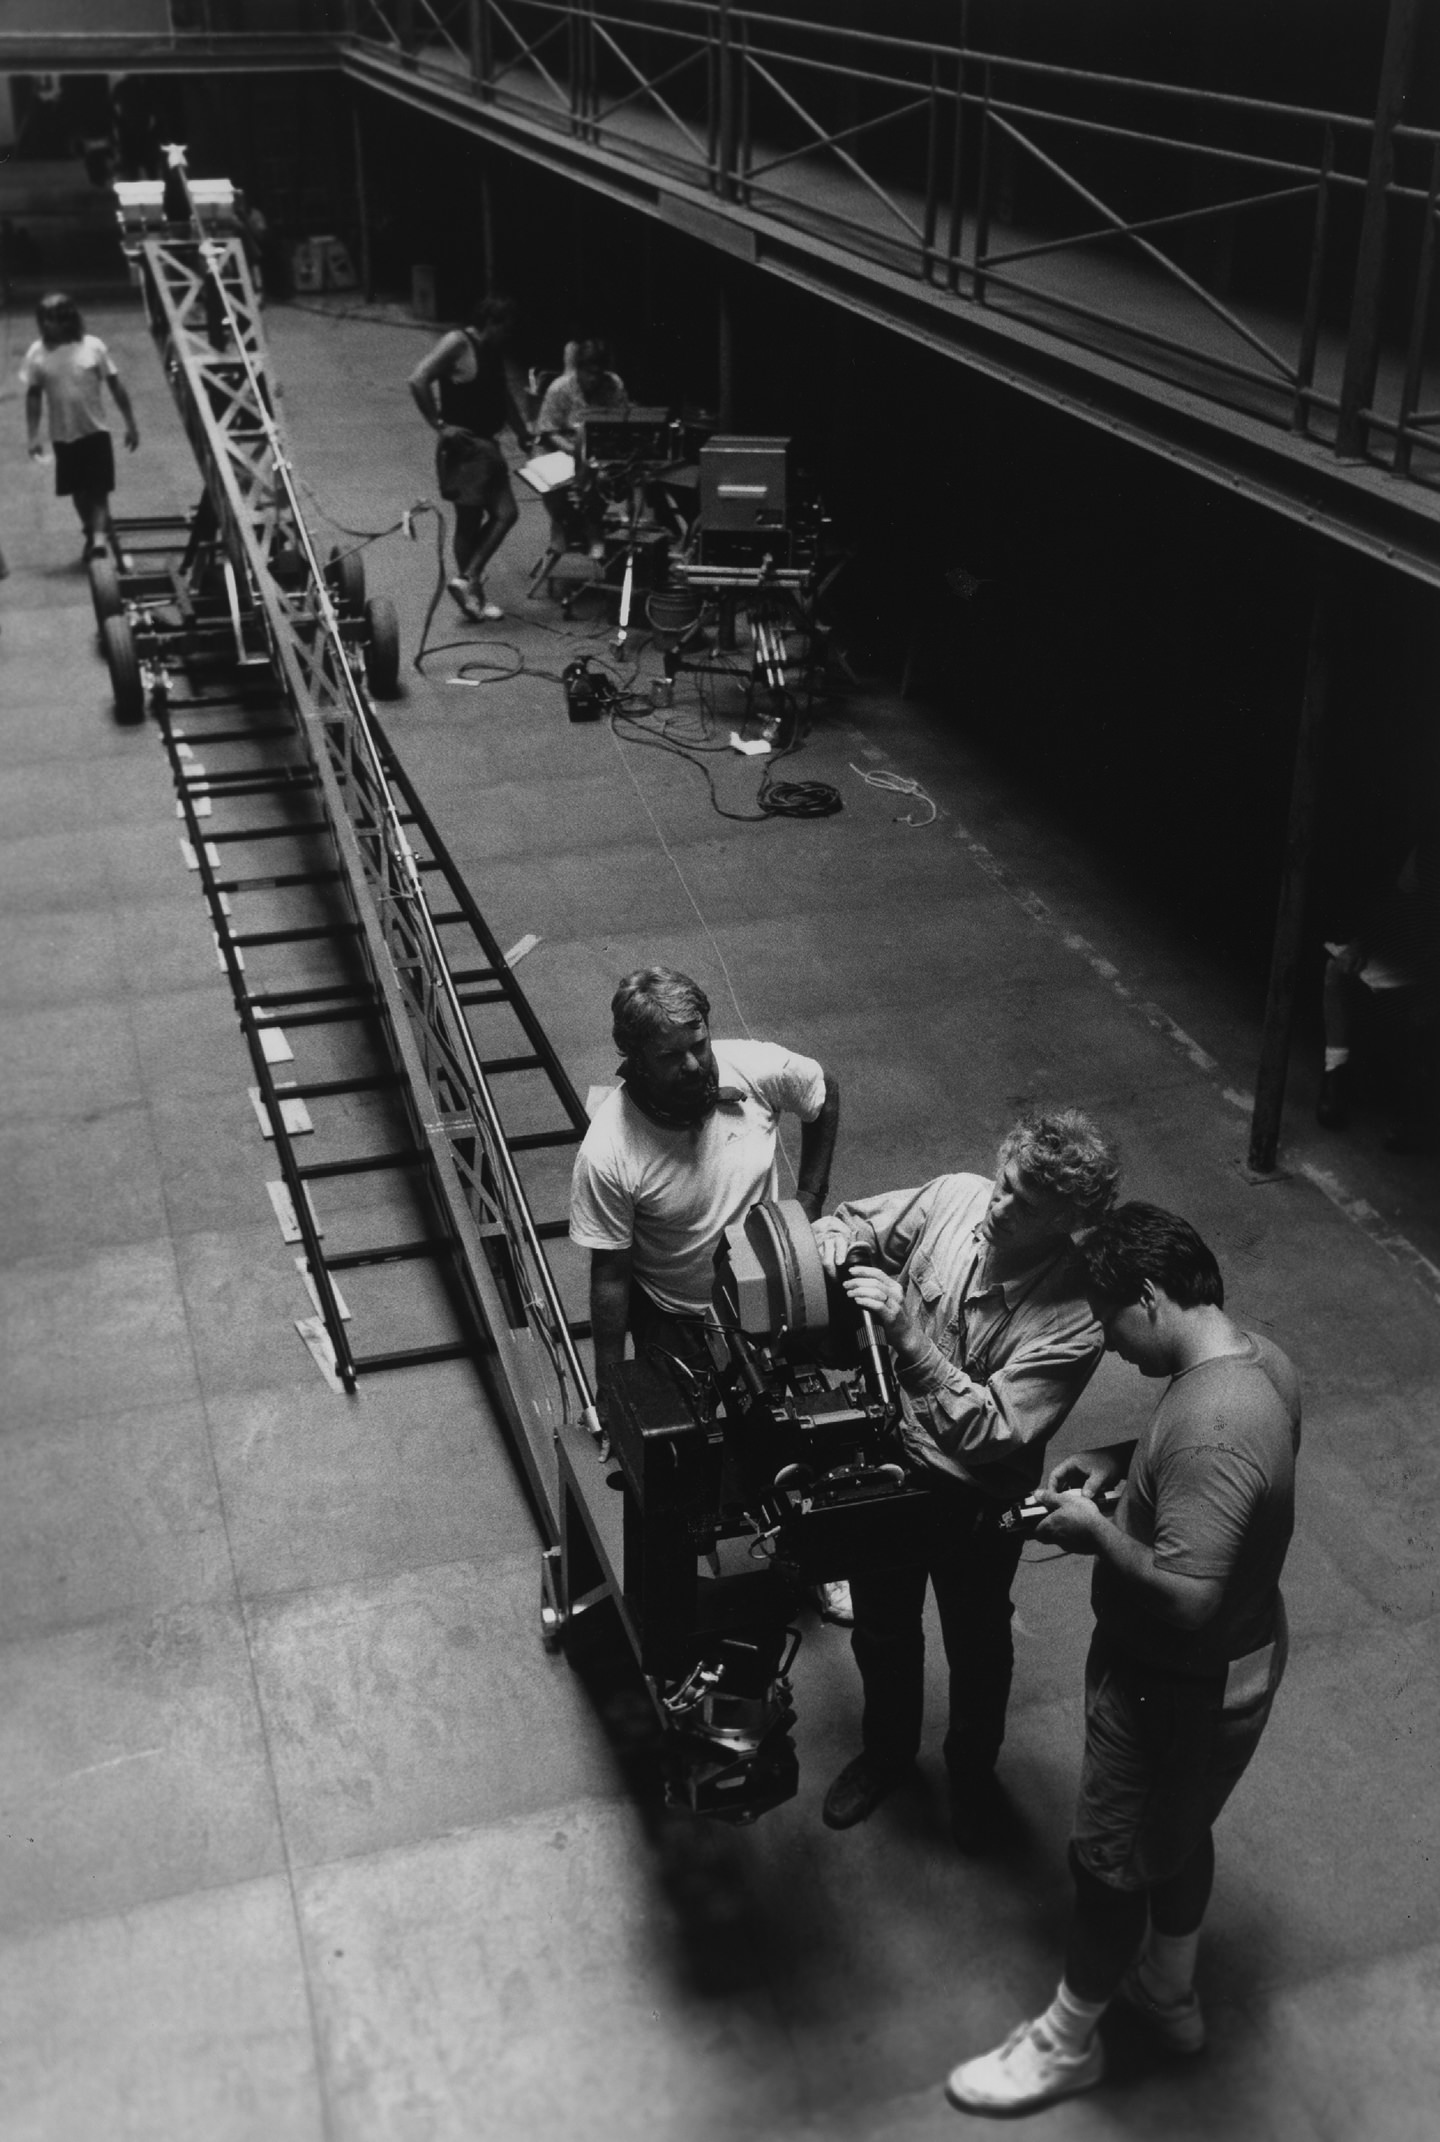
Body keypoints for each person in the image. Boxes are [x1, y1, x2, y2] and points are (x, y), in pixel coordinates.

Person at [946, 1203, 1300, 2117]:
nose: (1108, 1347)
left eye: (1109, 1324)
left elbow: (1189, 1595)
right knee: (1178, 1833)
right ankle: (1169, 1994)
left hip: (1171, 1689)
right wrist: (1122, 1459)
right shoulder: (1254, 1361)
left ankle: (1065, 2045)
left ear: (1147, 1297)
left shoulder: (1215, 1423)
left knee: (1107, 1867)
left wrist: (1095, 1532)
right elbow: (1213, 1480)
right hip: (1233, 1669)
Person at [811, 1110, 1119, 1844]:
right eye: (1005, 1183)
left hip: (978, 1499)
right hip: (887, 1462)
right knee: (883, 1627)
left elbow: (992, 1432)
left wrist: (909, 1338)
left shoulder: (1075, 1317)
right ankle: (886, 1755)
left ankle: (972, 1775)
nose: (1001, 1205)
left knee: (977, 1642)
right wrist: (833, 1248)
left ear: (1071, 1219)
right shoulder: (956, 1197)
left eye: (1027, 1205)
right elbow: (858, 1223)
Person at [569, 967, 848, 1617]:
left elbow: (823, 1091)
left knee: (801, 1435)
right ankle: (686, 1582)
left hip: (763, 1294)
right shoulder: (610, 1151)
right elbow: (609, 1275)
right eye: (671, 1055)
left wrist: (809, 1196)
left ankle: (814, 1563)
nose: (694, 1063)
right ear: (633, 1060)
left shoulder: (755, 1069)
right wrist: (612, 1391)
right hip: (674, 1312)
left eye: (700, 1041)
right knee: (683, 1458)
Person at [408, 294, 530, 623]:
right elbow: (418, 379)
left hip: (489, 445)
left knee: (506, 513)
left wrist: (522, 431)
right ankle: (472, 596)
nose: (509, 337)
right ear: (493, 322)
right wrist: (439, 425)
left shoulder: (492, 349)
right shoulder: (458, 342)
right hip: (466, 447)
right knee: (469, 521)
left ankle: (468, 578)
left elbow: (502, 392)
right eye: (506, 329)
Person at [22, 293, 140, 563]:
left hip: (95, 431)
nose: (51, 325)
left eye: (56, 320)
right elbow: (33, 396)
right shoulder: (37, 354)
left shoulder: (93, 347)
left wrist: (130, 423)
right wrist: (32, 436)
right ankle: (92, 530)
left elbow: (115, 385)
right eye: (46, 320)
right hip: (63, 435)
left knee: (98, 489)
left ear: (69, 320)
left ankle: (98, 542)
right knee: (78, 492)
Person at [534, 338, 628, 557]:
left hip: (599, 448)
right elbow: (549, 431)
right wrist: (576, 452)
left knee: (604, 477)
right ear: (579, 369)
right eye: (588, 373)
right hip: (559, 446)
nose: (593, 379)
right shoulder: (560, 388)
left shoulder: (613, 385)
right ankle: (559, 524)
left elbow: (622, 422)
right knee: (556, 479)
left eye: (598, 373)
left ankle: (594, 528)